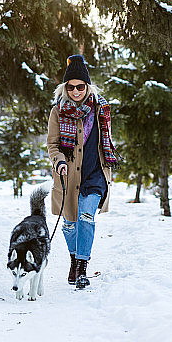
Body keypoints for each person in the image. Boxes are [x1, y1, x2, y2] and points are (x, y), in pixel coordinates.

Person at [47, 55, 118, 289]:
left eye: (80, 86)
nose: (76, 91)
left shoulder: (100, 109)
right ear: (65, 88)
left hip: (95, 173)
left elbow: (105, 139)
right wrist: (59, 162)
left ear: (87, 86)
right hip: (68, 176)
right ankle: (73, 260)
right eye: (71, 87)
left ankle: (81, 268)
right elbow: (53, 145)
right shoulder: (58, 112)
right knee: (69, 224)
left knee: (86, 217)